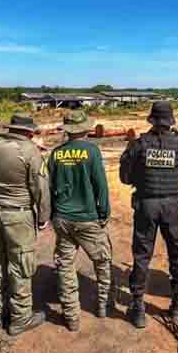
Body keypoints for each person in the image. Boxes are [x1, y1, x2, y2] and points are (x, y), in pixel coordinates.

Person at [120, 101, 178, 328]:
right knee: (177, 253)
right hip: (172, 206)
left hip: (146, 205)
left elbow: (125, 178)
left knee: (142, 255)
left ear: (152, 120)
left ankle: (138, 307)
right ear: (170, 121)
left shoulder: (139, 145)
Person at [0, 115, 50, 337]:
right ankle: (20, 319)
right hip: (18, 214)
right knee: (20, 265)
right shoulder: (31, 151)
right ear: (29, 132)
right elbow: (40, 187)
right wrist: (43, 216)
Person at [47, 110, 111, 333]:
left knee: (65, 265)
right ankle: (102, 305)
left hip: (62, 218)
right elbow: (100, 185)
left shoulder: (56, 154)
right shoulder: (92, 151)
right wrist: (104, 212)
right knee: (102, 260)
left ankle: (71, 316)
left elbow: (49, 186)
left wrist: (51, 215)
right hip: (87, 218)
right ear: (85, 129)